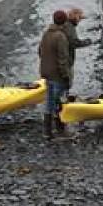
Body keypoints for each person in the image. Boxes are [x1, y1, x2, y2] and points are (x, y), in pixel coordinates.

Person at [38, 10, 73, 139]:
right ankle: (61, 130)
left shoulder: (46, 34)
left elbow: (40, 51)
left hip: (46, 73)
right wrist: (66, 76)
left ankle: (46, 131)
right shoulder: (61, 37)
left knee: (49, 102)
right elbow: (63, 59)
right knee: (59, 102)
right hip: (57, 75)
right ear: (64, 22)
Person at [62, 7, 92, 94]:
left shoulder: (64, 25)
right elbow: (74, 43)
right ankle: (63, 102)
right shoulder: (69, 27)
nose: (80, 21)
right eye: (80, 18)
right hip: (66, 61)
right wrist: (87, 42)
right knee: (67, 83)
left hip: (61, 60)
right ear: (75, 17)